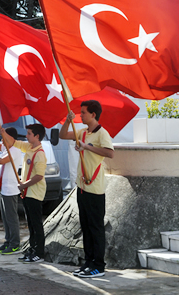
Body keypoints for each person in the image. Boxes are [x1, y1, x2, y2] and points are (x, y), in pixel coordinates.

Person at [60, 100, 114, 278]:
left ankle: (99, 265)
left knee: (96, 227)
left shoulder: (102, 133)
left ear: (93, 114)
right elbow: (62, 135)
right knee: (86, 226)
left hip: (95, 188)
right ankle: (89, 262)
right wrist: (68, 121)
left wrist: (86, 147)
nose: (80, 115)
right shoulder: (81, 132)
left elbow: (110, 153)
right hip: (82, 186)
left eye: (83, 112)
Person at [1, 123, 47, 263]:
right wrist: (2, 132)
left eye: (29, 134)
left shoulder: (40, 154)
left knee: (36, 224)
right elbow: (13, 142)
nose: (26, 136)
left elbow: (39, 176)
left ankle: (39, 252)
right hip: (27, 192)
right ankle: (32, 250)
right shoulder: (28, 147)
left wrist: (24, 185)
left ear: (37, 136)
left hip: (34, 192)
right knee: (30, 224)